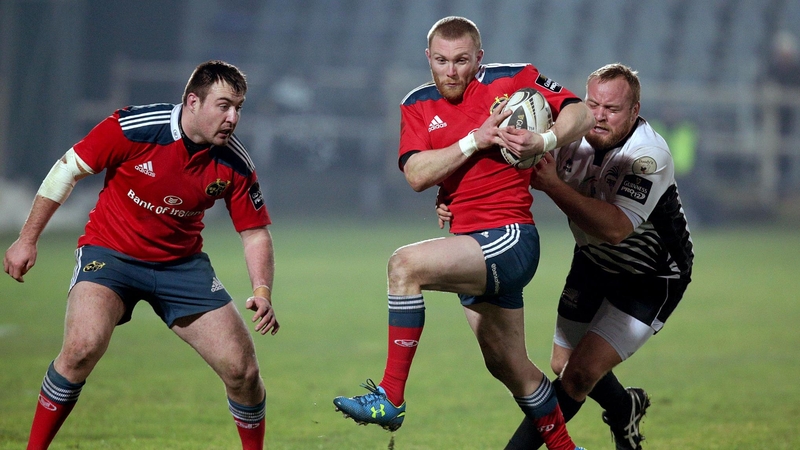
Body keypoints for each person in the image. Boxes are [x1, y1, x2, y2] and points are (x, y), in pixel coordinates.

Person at [332, 16, 593, 450]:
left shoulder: (513, 79)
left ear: (479, 58)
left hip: (510, 237)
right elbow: (417, 174)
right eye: (441, 61)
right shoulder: (417, 104)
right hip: (470, 245)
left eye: (461, 61)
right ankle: (566, 448)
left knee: (404, 265)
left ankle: (390, 397)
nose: (451, 71)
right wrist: (474, 141)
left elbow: (581, 113)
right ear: (428, 58)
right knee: (509, 366)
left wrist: (545, 141)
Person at [3, 60, 279, 450]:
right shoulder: (133, 127)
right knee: (81, 348)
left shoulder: (234, 162)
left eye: (238, 108)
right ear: (193, 101)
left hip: (181, 266)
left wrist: (262, 290)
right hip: (111, 255)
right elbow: (68, 170)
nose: (233, 118)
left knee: (243, 371)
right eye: (224, 106)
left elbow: (254, 233)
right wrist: (27, 239)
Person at [438, 63, 693, 449]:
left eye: (613, 109)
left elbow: (615, 228)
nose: (600, 116)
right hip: (592, 262)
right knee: (562, 364)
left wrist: (554, 186)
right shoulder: (569, 134)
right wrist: (450, 194)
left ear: (635, 111)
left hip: (650, 277)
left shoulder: (648, 155)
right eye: (594, 105)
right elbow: (508, 163)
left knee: (577, 375)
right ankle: (624, 408)